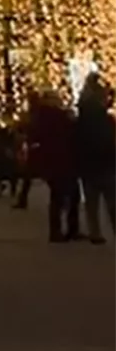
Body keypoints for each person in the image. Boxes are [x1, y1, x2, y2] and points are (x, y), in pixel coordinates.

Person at [28, 88, 81, 243]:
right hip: (60, 160)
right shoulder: (55, 116)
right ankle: (60, 231)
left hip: (55, 161)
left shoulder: (41, 117)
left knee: (66, 195)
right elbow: (67, 132)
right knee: (62, 196)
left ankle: (67, 229)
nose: (58, 100)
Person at [76, 71, 116, 245]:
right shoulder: (103, 118)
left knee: (92, 202)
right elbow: (108, 140)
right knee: (112, 201)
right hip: (105, 163)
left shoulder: (82, 115)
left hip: (88, 164)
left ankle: (95, 232)